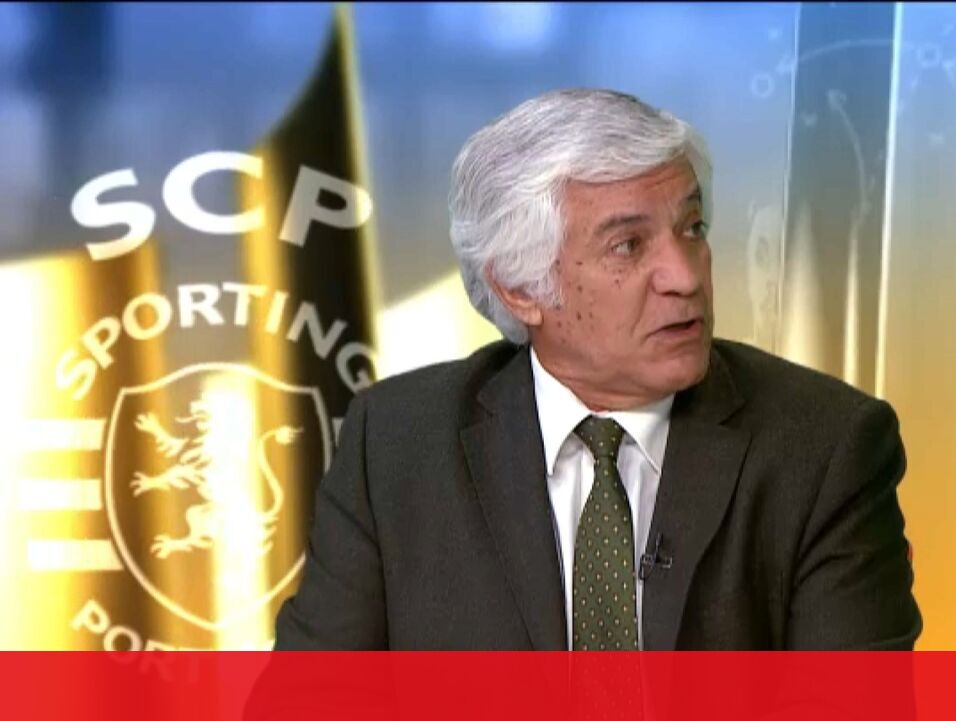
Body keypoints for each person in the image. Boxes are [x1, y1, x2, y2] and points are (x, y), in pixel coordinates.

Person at [274, 88, 922, 651]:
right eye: (628, 245)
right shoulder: (396, 446)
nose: (685, 275)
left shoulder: (826, 448)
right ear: (520, 289)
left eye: (693, 227)